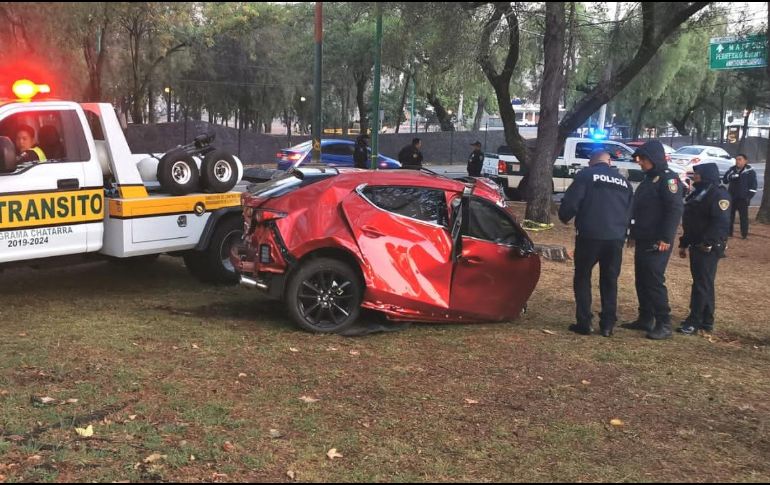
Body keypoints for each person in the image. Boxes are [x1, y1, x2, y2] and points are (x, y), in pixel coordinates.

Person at [558, 149, 633, 337]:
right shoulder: (624, 182)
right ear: (609, 162)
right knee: (609, 280)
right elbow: (630, 210)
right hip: (616, 237)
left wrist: (565, 216)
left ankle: (584, 322)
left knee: (582, 277)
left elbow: (571, 202)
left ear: (592, 162)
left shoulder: (586, 175)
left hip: (590, 236)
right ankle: (608, 325)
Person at [621, 140, 684, 340]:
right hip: (643, 237)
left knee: (654, 280)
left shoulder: (668, 180)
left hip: (658, 240)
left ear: (654, 158)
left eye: (643, 159)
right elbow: (639, 209)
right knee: (642, 279)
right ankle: (645, 317)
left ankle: (664, 323)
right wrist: (633, 234)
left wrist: (666, 237)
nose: (639, 162)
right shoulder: (649, 179)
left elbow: (674, 210)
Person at [678, 162, 731, 335]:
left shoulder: (718, 194)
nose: (695, 177)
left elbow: (720, 223)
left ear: (707, 174)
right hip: (696, 244)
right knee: (703, 282)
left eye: (698, 174)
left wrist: (707, 243)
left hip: (707, 247)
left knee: (702, 283)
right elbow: (691, 221)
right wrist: (684, 243)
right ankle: (707, 320)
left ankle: (695, 320)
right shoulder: (699, 193)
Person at [722, 153, 758, 240]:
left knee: (744, 218)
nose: (737, 161)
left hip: (743, 199)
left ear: (745, 161)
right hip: (731, 197)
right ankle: (729, 233)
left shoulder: (750, 171)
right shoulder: (732, 170)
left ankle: (744, 235)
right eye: (736, 159)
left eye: (740, 159)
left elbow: (753, 186)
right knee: (729, 216)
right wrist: (731, 176)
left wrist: (748, 197)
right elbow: (725, 180)